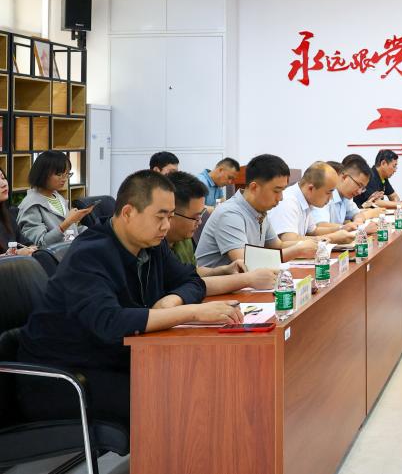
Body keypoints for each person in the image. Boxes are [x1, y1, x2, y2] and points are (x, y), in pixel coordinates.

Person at [16, 170, 244, 429]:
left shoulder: (152, 245)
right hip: (63, 379)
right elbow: (111, 322)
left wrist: (172, 301)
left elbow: (191, 280)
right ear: (128, 213)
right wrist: (192, 312)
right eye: (160, 216)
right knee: (181, 398)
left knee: (200, 380)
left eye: (170, 216)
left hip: (115, 360)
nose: (166, 226)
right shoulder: (89, 254)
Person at [194, 154, 318, 268]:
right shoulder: (230, 213)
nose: (281, 198)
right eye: (276, 191)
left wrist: (313, 243)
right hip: (216, 283)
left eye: (282, 191)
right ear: (254, 187)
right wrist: (298, 250)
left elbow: (278, 246)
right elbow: (246, 263)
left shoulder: (259, 210)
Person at [165, 171, 278, 292]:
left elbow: (191, 273)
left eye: (201, 215)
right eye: (195, 217)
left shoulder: (184, 239)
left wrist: (223, 270)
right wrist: (247, 279)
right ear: (171, 214)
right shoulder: (157, 246)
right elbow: (185, 286)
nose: (200, 222)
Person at [17, 151, 94, 246]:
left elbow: (71, 232)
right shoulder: (31, 205)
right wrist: (68, 221)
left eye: (67, 174)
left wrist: (92, 231)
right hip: (55, 254)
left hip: (70, 249)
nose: (64, 179)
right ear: (43, 174)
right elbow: (39, 244)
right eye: (59, 174)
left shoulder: (57, 197)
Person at [267, 161, 354, 244]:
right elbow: (288, 239)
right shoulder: (288, 201)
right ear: (311, 188)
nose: (331, 198)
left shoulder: (306, 200)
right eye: (328, 192)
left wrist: (342, 228)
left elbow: (313, 231)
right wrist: (332, 238)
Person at [314, 158, 381, 229]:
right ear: (344, 177)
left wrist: (358, 221)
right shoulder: (326, 193)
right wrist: (348, 227)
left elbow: (357, 214)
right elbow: (320, 225)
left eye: (363, 188)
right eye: (359, 185)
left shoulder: (346, 197)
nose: (359, 192)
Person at [0, 167, 35, 255]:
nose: (3, 184)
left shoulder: (7, 215)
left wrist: (31, 249)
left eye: (3, 178)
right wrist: (15, 254)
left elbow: (26, 243)